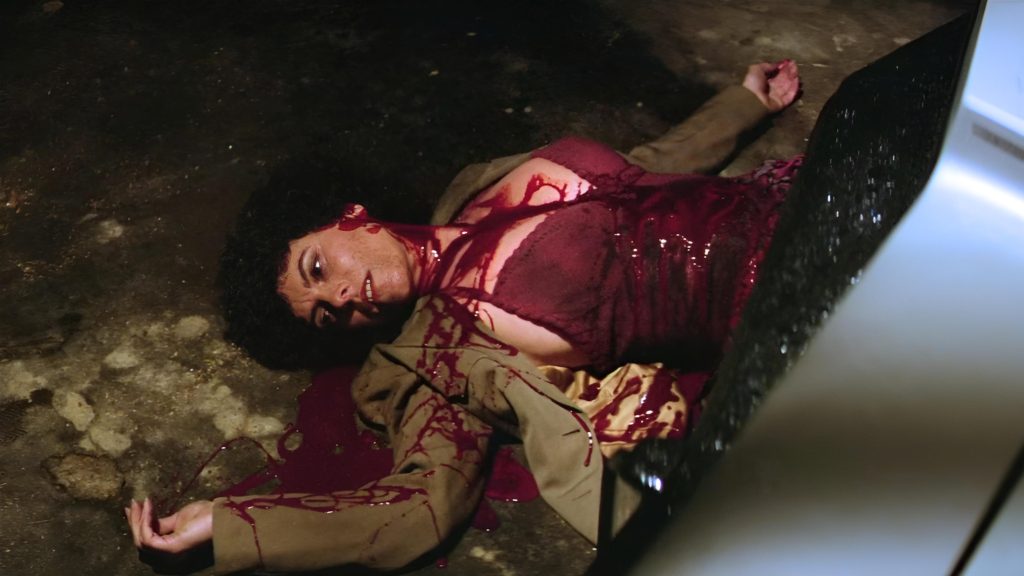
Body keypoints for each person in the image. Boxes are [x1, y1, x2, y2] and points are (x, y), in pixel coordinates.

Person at [127, 60, 802, 574]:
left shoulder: (480, 187)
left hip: (791, 201)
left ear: (349, 217)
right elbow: (420, 509)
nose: (343, 298)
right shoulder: (433, 357)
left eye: (318, 268)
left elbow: (641, 174)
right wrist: (231, 525)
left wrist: (744, 104)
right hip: (786, 320)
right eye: (328, 317)